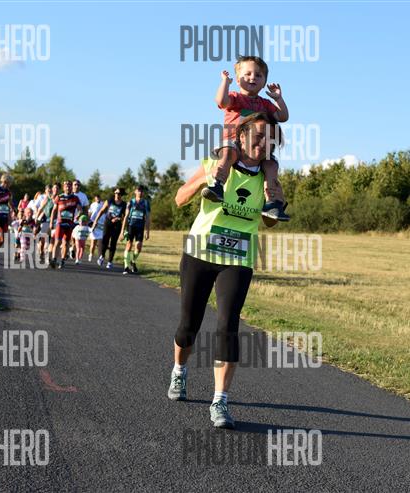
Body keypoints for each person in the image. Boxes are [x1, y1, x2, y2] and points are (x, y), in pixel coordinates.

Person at [167, 112, 281, 429]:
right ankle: (179, 371)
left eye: (270, 140)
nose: (263, 143)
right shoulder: (216, 165)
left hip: (238, 258)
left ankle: (220, 401)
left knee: (228, 324)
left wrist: (273, 200)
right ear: (241, 137)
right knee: (188, 326)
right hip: (200, 252)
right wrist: (204, 180)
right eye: (258, 136)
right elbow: (179, 199)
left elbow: (269, 222)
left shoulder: (268, 177)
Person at [206, 55, 290, 222]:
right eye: (248, 74)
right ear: (238, 80)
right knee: (228, 155)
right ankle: (217, 185)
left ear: (264, 82)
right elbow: (221, 101)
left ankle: (271, 202)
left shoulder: (264, 104)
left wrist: (279, 99)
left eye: (258, 75)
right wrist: (225, 82)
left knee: (272, 165)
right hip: (233, 142)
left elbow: (282, 117)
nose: (253, 78)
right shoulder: (235, 98)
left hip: (257, 147)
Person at [48, 180, 81, 269]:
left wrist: (78, 215)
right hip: (60, 223)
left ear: (71, 187)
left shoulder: (75, 198)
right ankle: (54, 259)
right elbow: (54, 210)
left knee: (66, 243)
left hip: (69, 224)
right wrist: (51, 222)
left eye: (69, 185)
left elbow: (80, 209)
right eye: (66, 186)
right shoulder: (59, 197)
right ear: (63, 187)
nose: (68, 187)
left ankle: (62, 260)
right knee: (57, 241)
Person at [92, 187, 127, 269]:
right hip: (108, 223)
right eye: (116, 193)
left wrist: (119, 219)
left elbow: (125, 216)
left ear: (121, 195)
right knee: (105, 240)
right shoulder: (109, 201)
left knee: (113, 243)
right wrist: (95, 221)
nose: (117, 195)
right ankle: (102, 256)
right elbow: (101, 211)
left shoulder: (124, 204)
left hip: (117, 225)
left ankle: (110, 261)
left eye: (119, 193)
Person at [120, 185, 151, 275]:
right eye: (138, 191)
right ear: (135, 192)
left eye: (141, 191)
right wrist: (122, 231)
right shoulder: (130, 202)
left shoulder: (146, 203)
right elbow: (126, 217)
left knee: (138, 247)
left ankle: (132, 261)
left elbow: (148, 218)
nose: (140, 192)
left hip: (140, 227)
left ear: (143, 192)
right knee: (129, 245)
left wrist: (147, 231)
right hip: (131, 226)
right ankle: (126, 267)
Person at [87, 194, 105, 261]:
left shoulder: (103, 204)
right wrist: (88, 221)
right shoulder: (92, 204)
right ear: (95, 198)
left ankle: (100, 257)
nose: (98, 199)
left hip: (101, 224)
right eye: (96, 198)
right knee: (93, 242)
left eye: (98, 198)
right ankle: (91, 254)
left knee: (100, 242)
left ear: (100, 198)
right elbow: (89, 213)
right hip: (93, 223)